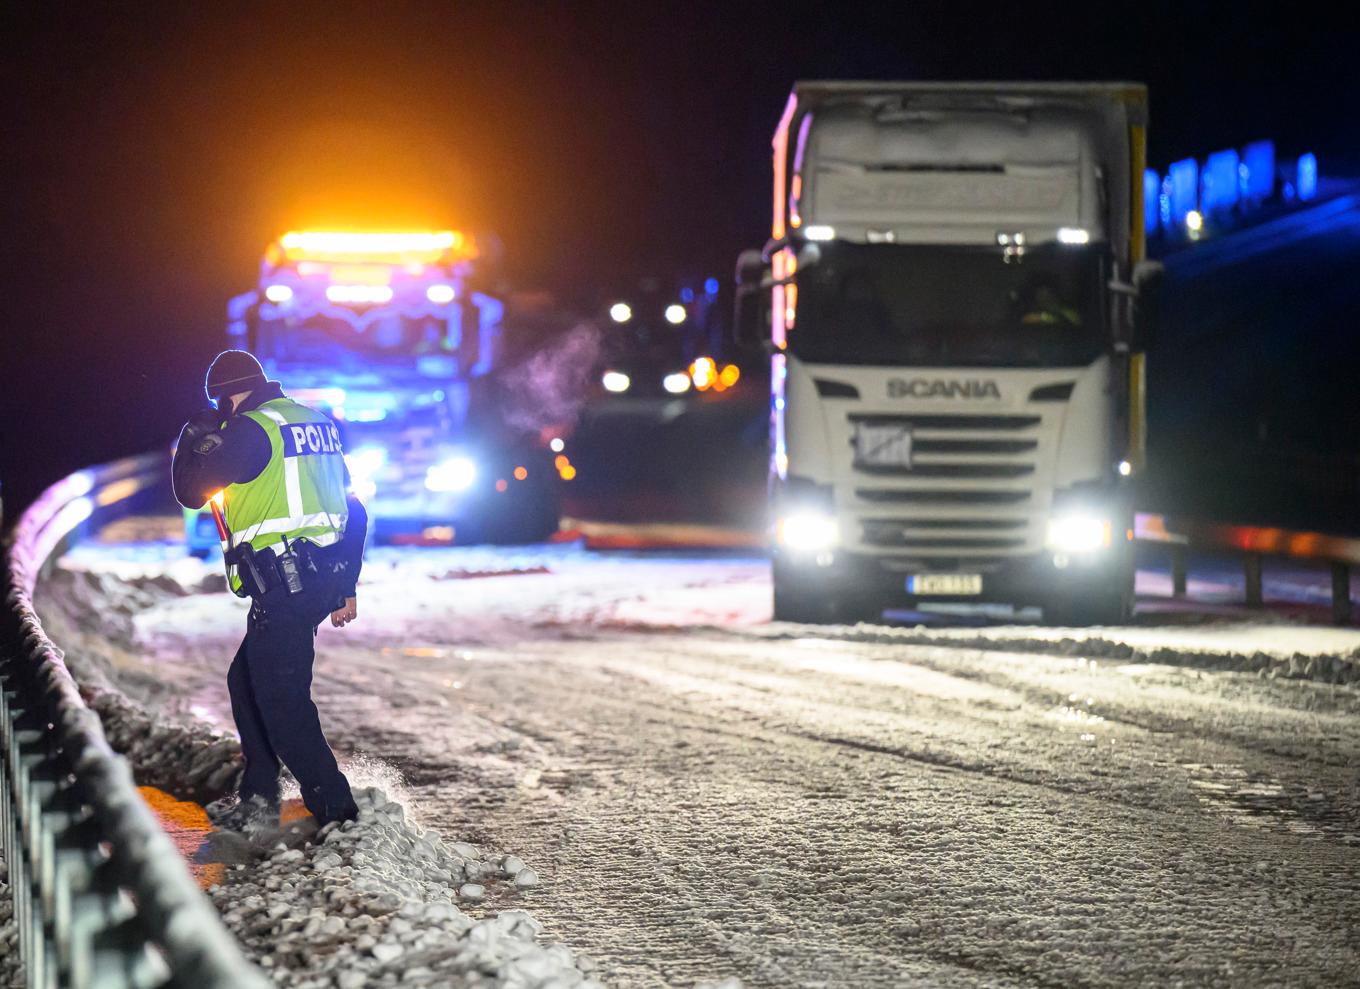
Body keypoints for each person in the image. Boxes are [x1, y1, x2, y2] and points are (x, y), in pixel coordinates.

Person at [172, 350, 366, 829]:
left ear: (225, 397)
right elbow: (355, 509)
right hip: (318, 575)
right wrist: (346, 585)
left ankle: (337, 811)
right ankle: (259, 793)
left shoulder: (248, 430)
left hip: (286, 583)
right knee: (247, 680)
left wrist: (193, 438)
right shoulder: (314, 422)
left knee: (281, 699)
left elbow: (190, 493)